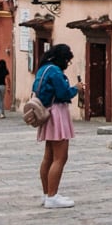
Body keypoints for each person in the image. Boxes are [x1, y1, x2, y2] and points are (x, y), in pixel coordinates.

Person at [33, 43, 78, 208]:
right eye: (68, 61)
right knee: (60, 157)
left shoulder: (43, 69)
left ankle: (47, 194)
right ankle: (53, 196)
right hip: (57, 113)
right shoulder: (56, 72)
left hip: (47, 111)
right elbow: (63, 93)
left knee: (48, 157)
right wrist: (76, 89)